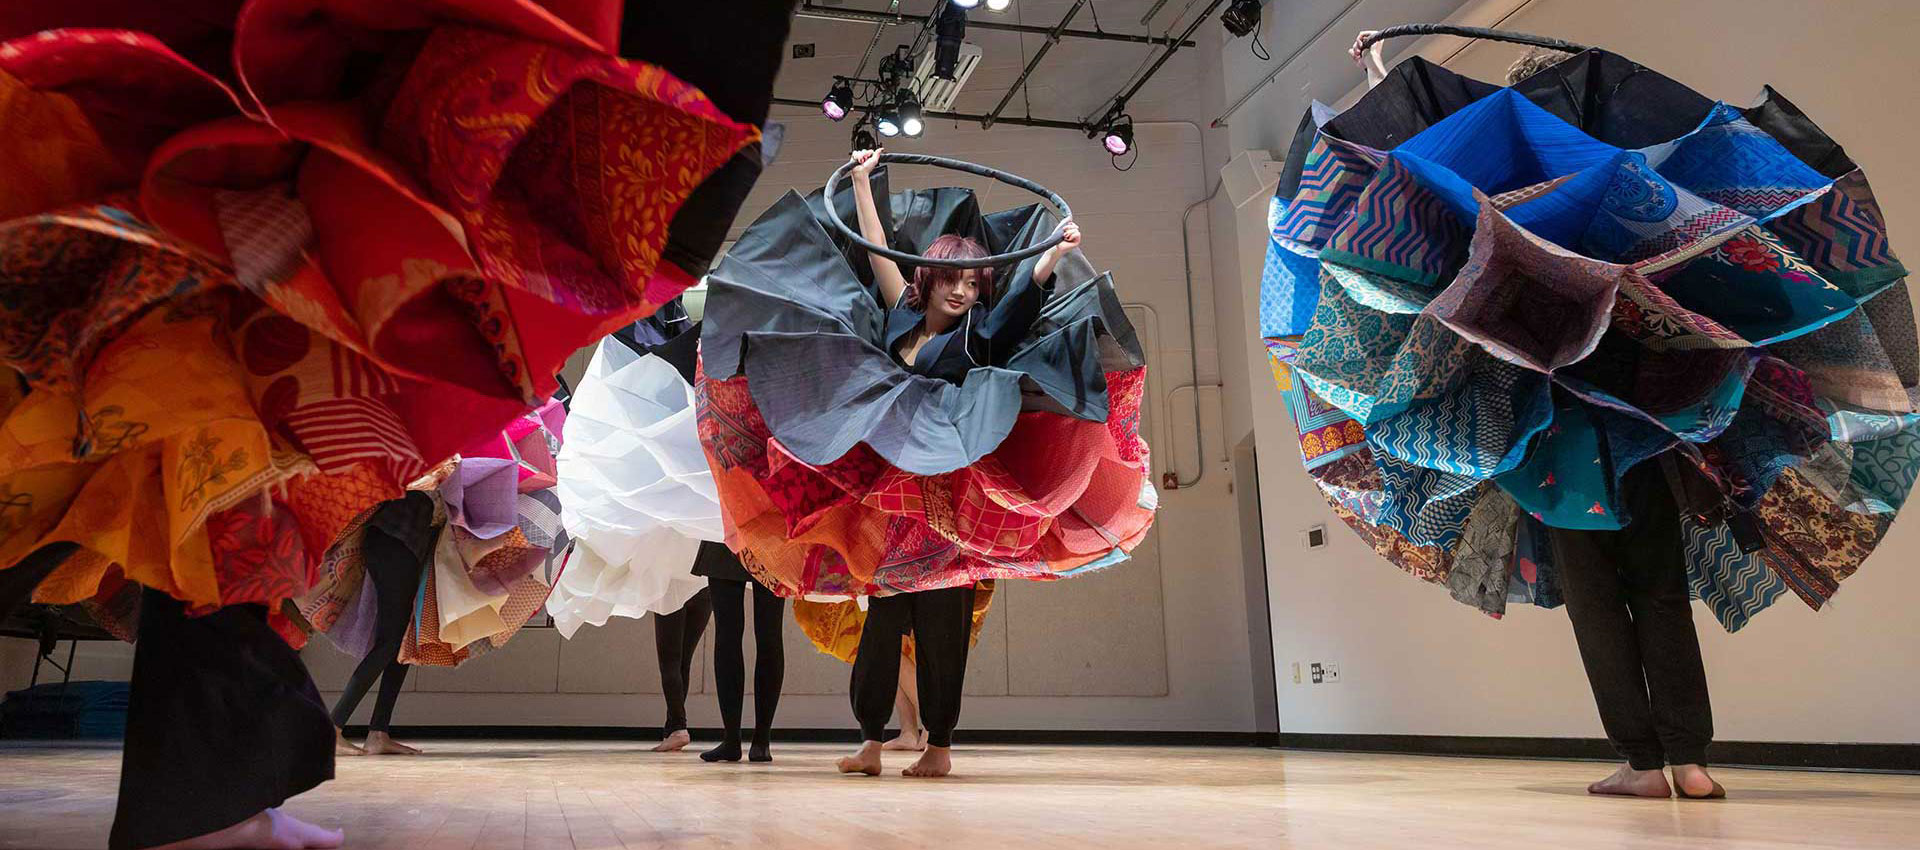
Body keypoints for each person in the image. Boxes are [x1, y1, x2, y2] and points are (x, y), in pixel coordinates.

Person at [831, 149, 1081, 778]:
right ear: (931, 278)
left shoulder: (977, 336)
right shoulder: (900, 319)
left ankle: (938, 746)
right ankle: (870, 742)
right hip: (893, 488)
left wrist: (1051, 254)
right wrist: (863, 180)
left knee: (942, 620)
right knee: (881, 614)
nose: (967, 292)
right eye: (956, 281)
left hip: (950, 490)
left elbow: (1020, 303)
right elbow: (879, 251)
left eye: (975, 284)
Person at [329, 493, 435, 757]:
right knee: (389, 642)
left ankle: (378, 732)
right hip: (395, 542)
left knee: (402, 642)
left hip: (403, 545)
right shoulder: (425, 462)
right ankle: (332, 727)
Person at [694, 542, 787, 763]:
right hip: (765, 529)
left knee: (731, 635)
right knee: (767, 635)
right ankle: (758, 742)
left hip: (731, 527)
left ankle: (736, 739)